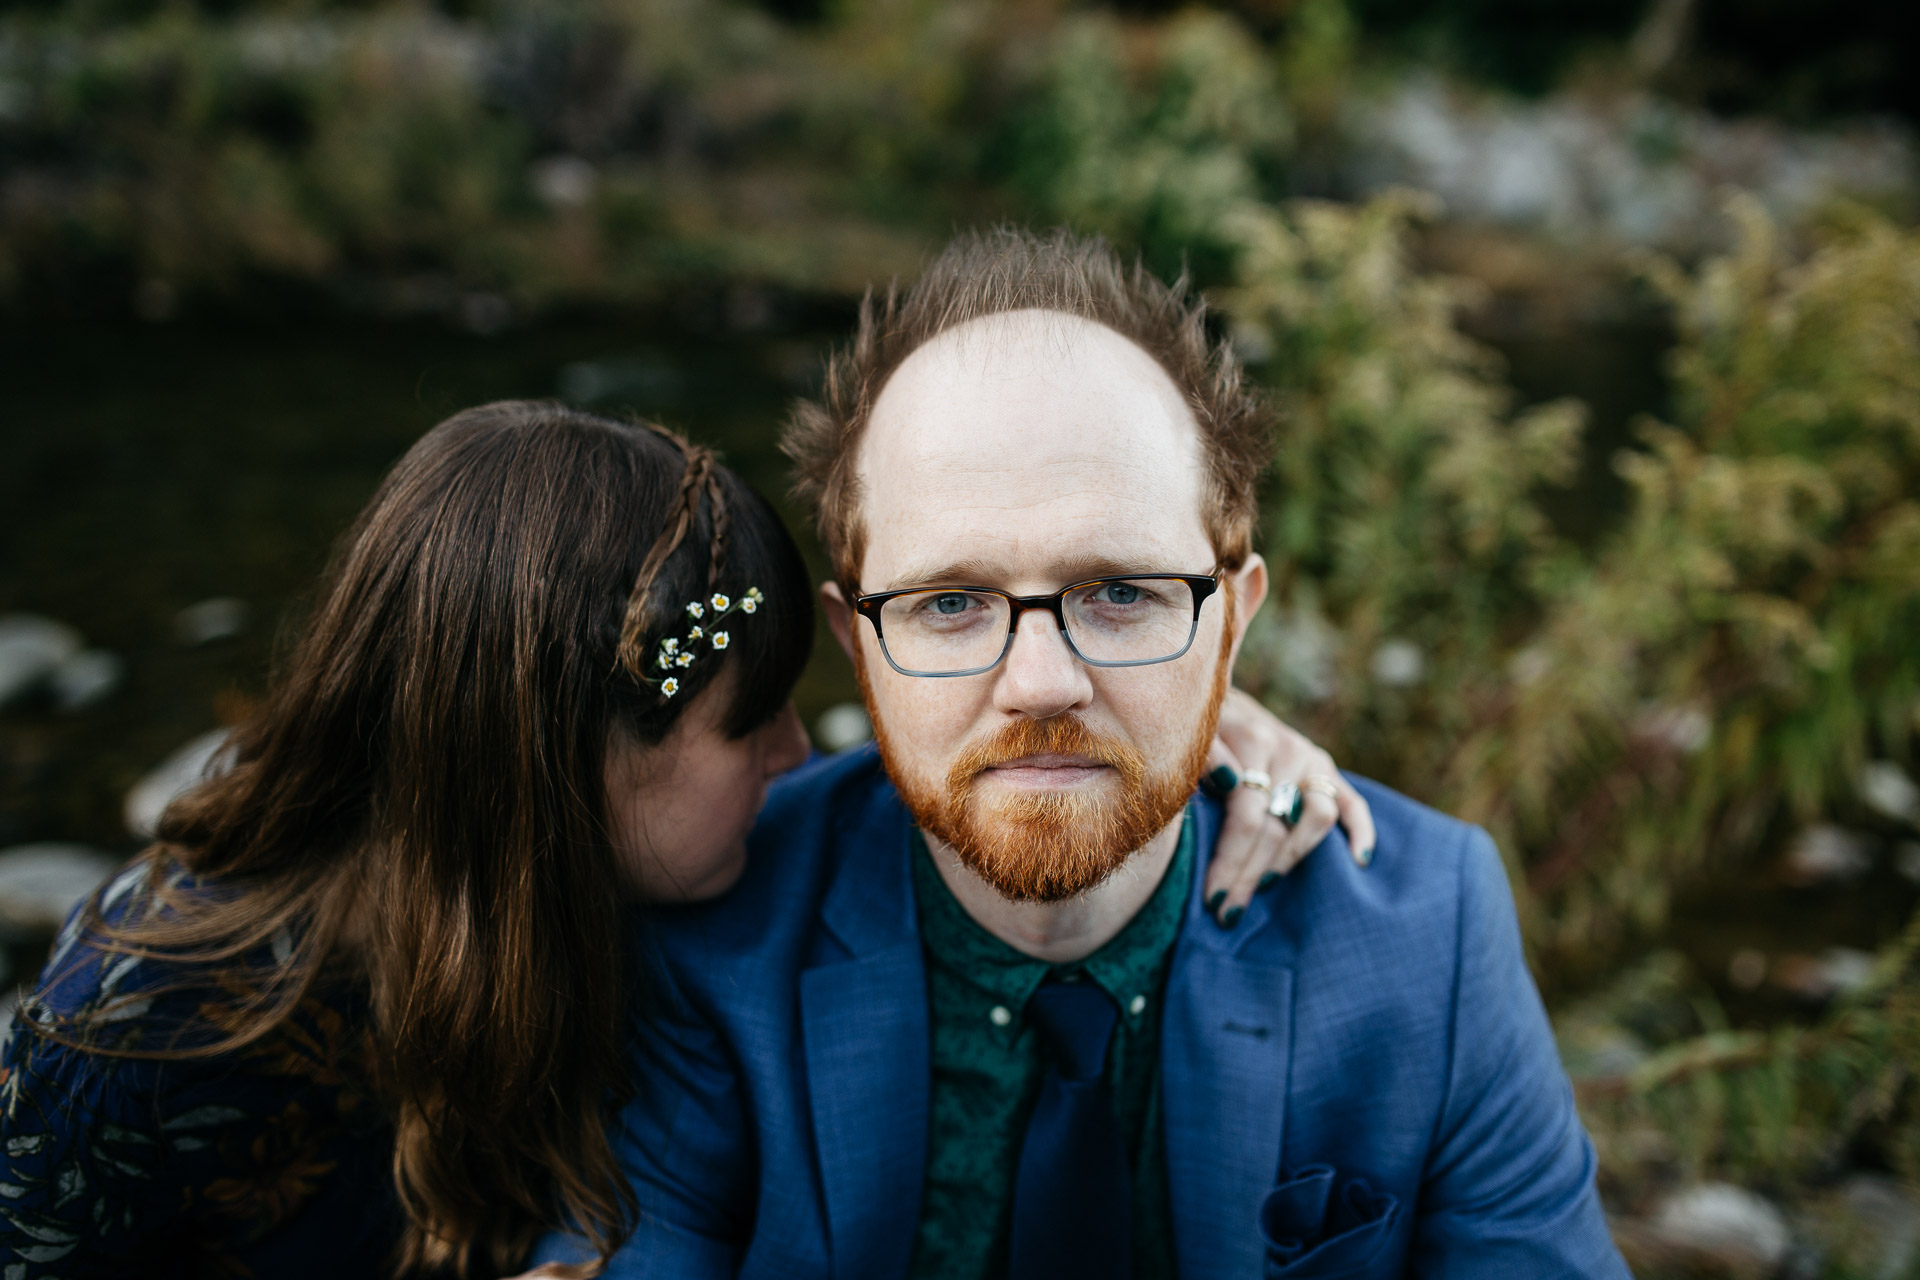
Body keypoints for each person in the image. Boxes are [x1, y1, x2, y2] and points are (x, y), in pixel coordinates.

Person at [0, 401, 1364, 1278]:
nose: (797, 761)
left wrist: (1193, 723)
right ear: (563, 762)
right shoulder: (147, 1025)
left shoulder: (637, 870)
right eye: (752, 721)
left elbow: (965, 792)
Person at [535, 230, 1630, 1278]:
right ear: (855, 643)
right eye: (952, 601)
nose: (1042, 683)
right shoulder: (712, 941)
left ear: (1232, 625)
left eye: (1121, 593)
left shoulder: (1428, 938)